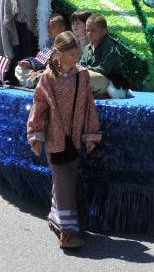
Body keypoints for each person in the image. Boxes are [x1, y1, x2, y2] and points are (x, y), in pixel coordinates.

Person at [27, 31, 101, 249]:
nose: (74, 58)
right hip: (54, 138)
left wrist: (91, 133)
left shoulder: (83, 75)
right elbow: (39, 107)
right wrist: (36, 134)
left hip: (75, 138)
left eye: (76, 54)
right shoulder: (48, 78)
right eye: (69, 54)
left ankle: (55, 216)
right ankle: (68, 234)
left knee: (66, 180)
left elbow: (89, 105)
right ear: (57, 53)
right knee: (64, 182)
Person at [81, 14, 130, 98]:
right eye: (87, 30)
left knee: (85, 76)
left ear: (104, 31)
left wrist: (84, 69)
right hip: (97, 82)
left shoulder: (110, 47)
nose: (89, 33)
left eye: (93, 30)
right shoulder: (86, 48)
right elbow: (81, 66)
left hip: (115, 86)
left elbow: (103, 70)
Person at [15, 14, 67, 88]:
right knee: (19, 68)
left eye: (53, 27)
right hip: (43, 73)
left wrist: (42, 72)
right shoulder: (50, 42)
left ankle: (36, 81)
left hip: (56, 74)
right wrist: (28, 63)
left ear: (62, 28)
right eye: (48, 27)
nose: (49, 30)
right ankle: (36, 81)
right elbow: (39, 60)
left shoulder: (67, 42)